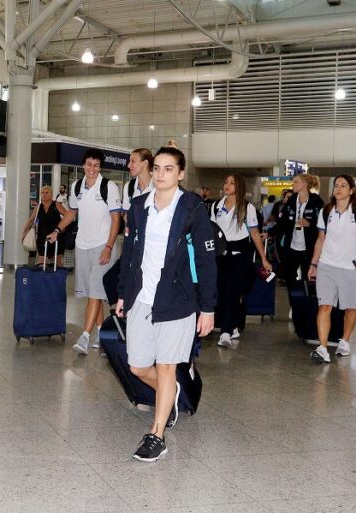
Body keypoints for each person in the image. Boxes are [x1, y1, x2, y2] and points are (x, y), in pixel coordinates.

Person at [115, 146, 217, 462]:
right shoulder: (138, 206)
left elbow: (206, 260)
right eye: (157, 168)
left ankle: (157, 435)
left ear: (181, 173)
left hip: (177, 299)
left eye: (168, 168)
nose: (160, 174)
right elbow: (129, 254)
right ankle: (169, 391)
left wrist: (208, 307)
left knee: (166, 366)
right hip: (142, 298)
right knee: (137, 366)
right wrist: (123, 294)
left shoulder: (192, 207)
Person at [47, 148, 122, 354]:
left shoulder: (109, 187)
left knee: (95, 291)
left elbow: (116, 219)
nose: (92, 169)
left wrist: (109, 247)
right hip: (82, 245)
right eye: (89, 164)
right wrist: (57, 230)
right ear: (83, 165)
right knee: (92, 292)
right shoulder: (76, 186)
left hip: (102, 245)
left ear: (100, 168)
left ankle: (85, 336)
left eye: (96, 165)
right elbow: (72, 212)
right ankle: (101, 332)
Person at [308, 175, 356, 363]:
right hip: (327, 265)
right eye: (336, 185)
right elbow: (320, 239)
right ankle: (322, 348)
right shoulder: (326, 211)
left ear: (351, 190)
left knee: (350, 308)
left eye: (343, 186)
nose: (338, 189)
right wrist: (314, 264)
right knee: (324, 306)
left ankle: (345, 341)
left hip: (352, 267)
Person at [211, 173, 272, 348]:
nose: (227, 185)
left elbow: (254, 234)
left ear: (239, 186)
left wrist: (263, 258)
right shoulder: (216, 206)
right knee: (221, 293)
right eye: (226, 182)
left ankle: (225, 332)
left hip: (239, 257)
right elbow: (212, 231)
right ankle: (233, 326)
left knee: (232, 292)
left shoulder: (247, 208)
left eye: (232, 183)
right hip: (220, 257)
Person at [273, 174, 324, 291]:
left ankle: (308, 299)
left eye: (296, 181)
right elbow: (282, 221)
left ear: (304, 184)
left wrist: (309, 224)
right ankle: (293, 299)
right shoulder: (292, 200)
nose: (293, 184)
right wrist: (270, 232)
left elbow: (323, 224)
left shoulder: (316, 201)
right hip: (292, 246)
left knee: (308, 278)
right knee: (288, 276)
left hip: (309, 247)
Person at [21, 185, 66, 266]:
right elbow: (31, 220)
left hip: (56, 236)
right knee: (42, 263)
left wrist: (62, 227)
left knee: (57, 263)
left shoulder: (56, 205)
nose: (44, 194)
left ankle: (58, 274)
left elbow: (67, 215)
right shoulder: (38, 207)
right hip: (42, 237)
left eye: (47, 192)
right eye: (42, 192)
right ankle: (43, 273)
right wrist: (24, 233)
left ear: (51, 195)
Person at [121, 148, 154, 222]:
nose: (129, 165)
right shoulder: (129, 186)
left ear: (145, 163)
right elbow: (126, 216)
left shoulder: (158, 186)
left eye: (133, 161)